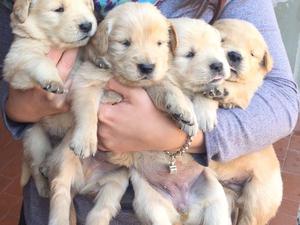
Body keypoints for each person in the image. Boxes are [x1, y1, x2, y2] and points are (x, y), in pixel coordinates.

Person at [0, 0, 299, 224]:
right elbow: (11, 77)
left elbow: (283, 101)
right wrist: (19, 107)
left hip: (164, 202)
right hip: (53, 199)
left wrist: (176, 137)